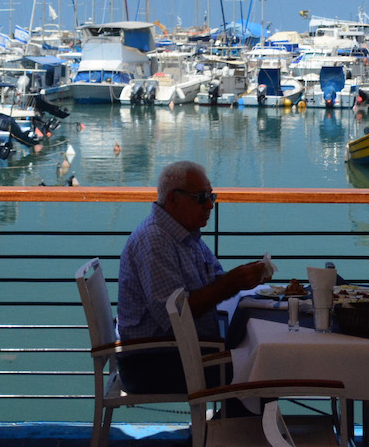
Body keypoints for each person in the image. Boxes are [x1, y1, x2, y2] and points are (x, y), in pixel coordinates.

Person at [116, 160, 273, 393]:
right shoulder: (155, 241)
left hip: (182, 350)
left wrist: (241, 278)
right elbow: (174, 317)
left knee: (259, 353)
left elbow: (213, 281)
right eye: (201, 197)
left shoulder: (184, 233)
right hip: (152, 362)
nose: (210, 205)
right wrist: (231, 283)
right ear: (173, 199)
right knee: (263, 365)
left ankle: (224, 427)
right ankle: (228, 428)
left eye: (212, 196)